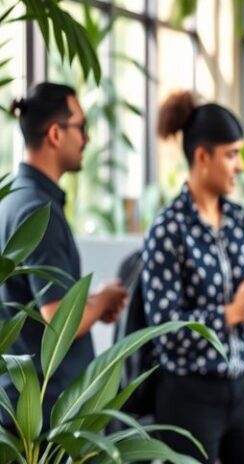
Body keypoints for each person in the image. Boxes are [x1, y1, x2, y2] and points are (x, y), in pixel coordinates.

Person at [142, 91, 244, 463]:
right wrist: (230, 314)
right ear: (202, 157)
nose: (240, 166)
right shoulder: (167, 230)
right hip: (187, 398)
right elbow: (163, 330)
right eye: (231, 154)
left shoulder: (243, 223)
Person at [0, 82, 127, 422]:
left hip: (25, 403)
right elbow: (58, 318)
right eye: (81, 127)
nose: (86, 139)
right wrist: (101, 302)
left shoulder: (14, 199)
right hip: (44, 414)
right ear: (56, 134)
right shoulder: (37, 212)